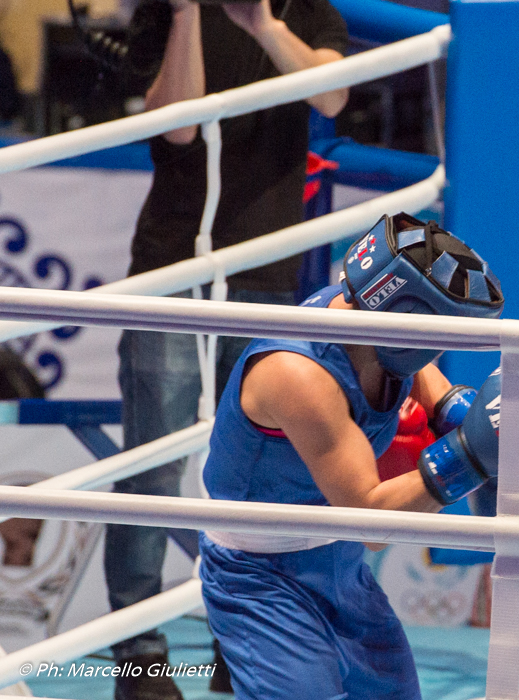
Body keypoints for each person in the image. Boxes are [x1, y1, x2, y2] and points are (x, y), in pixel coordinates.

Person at [198, 213, 519, 699]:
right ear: (407, 318)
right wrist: (470, 453)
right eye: (440, 332)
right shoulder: (298, 376)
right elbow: (371, 522)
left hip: (338, 560)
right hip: (262, 578)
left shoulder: (376, 327)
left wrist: (460, 415)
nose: (446, 348)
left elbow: (422, 376)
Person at [108, 1, 349, 697]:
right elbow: (178, 127)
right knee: (152, 468)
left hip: (265, 275)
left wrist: (263, 26)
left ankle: (238, 639)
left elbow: (333, 95)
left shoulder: (307, 9)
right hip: (173, 269)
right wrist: (188, 15)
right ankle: (140, 658)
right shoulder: (166, 9)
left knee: (256, 479)